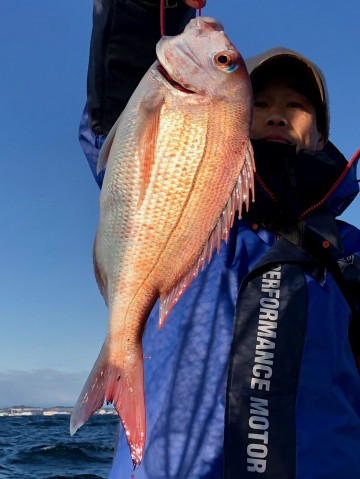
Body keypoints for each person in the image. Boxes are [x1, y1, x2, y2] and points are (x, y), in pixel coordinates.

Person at [79, 1, 360, 478]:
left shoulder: (349, 250)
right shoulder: (204, 211)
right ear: (235, 118)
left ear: (321, 133)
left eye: (296, 105)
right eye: (262, 102)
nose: (276, 116)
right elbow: (116, 111)